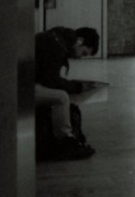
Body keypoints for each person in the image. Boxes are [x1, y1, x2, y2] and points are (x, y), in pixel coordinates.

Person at [35, 26, 99, 159]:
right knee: (61, 97)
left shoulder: (57, 38)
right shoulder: (56, 45)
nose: (81, 57)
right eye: (84, 53)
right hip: (21, 87)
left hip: (26, 82)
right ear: (80, 41)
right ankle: (64, 141)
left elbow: (48, 77)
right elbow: (51, 80)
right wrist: (78, 87)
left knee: (62, 94)